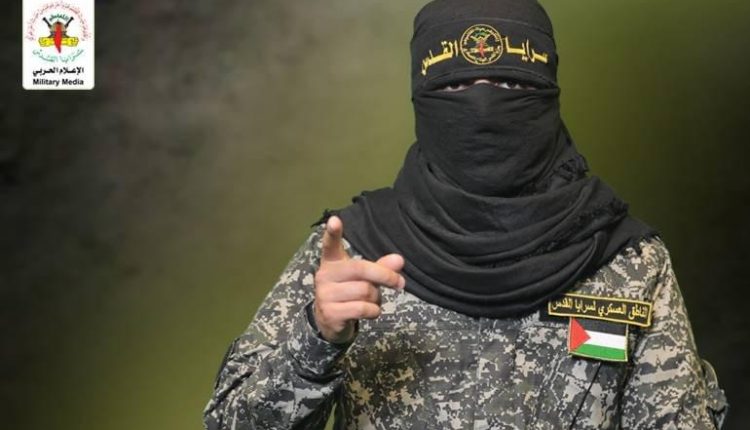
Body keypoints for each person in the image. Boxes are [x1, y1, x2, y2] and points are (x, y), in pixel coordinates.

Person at [203, 0, 728, 428]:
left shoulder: (629, 264)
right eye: (455, 87)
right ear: (421, 99)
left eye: (510, 85)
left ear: (548, 96)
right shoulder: (351, 256)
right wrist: (318, 338)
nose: (483, 107)